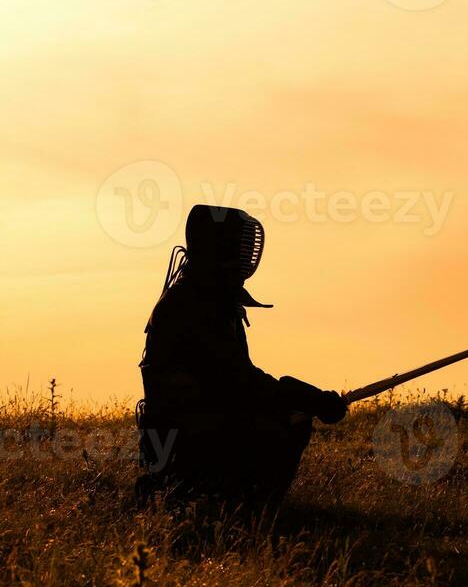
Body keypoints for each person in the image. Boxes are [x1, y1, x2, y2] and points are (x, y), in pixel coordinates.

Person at [136, 205, 347, 513]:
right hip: (185, 432)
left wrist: (301, 399)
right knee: (280, 426)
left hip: (197, 423)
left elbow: (237, 380)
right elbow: (236, 383)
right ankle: (228, 504)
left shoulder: (211, 298)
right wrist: (301, 395)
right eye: (240, 247)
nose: (246, 257)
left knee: (290, 417)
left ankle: (227, 498)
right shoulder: (190, 305)